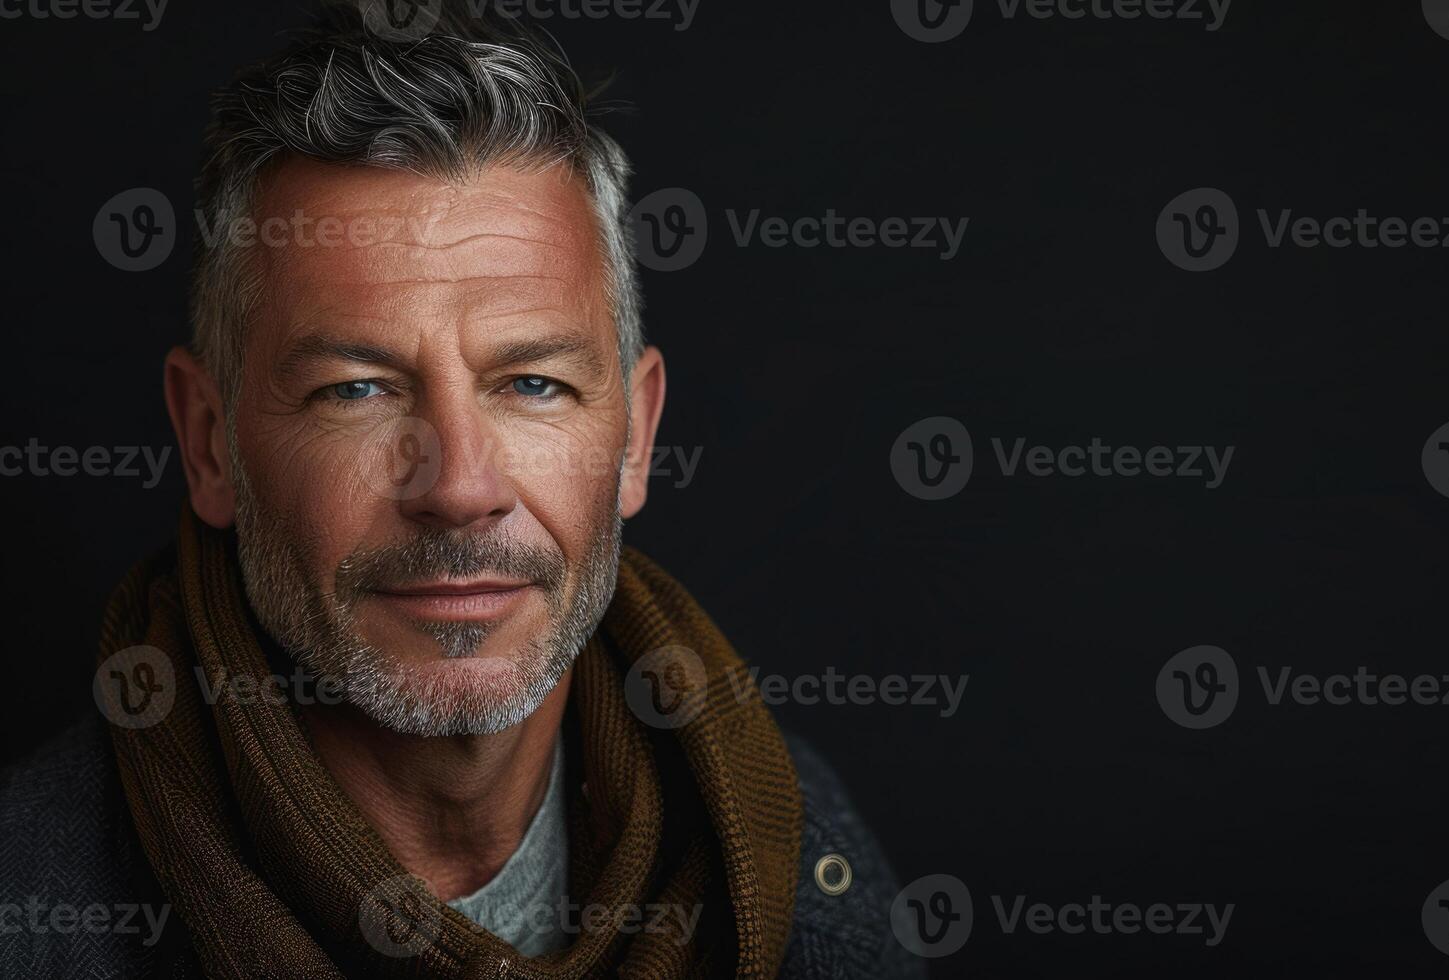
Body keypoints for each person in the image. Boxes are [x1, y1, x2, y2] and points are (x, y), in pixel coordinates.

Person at [0, 3, 920, 977]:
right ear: (210, 443)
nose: (461, 487)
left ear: (638, 436)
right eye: (354, 389)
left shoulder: (795, 847)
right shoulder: (34, 914)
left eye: (533, 383)